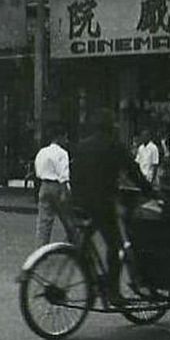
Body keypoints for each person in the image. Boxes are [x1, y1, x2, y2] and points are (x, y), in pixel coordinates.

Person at [71, 109, 153, 306]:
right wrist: (150, 192)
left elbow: (75, 174)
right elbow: (133, 172)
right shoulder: (114, 146)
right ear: (111, 126)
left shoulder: (82, 146)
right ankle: (113, 292)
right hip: (103, 204)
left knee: (85, 239)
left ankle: (88, 271)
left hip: (80, 203)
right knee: (114, 246)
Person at [33, 124, 70, 246]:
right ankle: (74, 244)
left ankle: (41, 247)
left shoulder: (42, 152)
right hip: (57, 186)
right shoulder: (62, 153)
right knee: (67, 218)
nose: (66, 140)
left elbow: (38, 170)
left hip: (44, 185)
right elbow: (63, 173)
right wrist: (65, 191)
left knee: (44, 221)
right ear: (60, 137)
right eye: (65, 137)